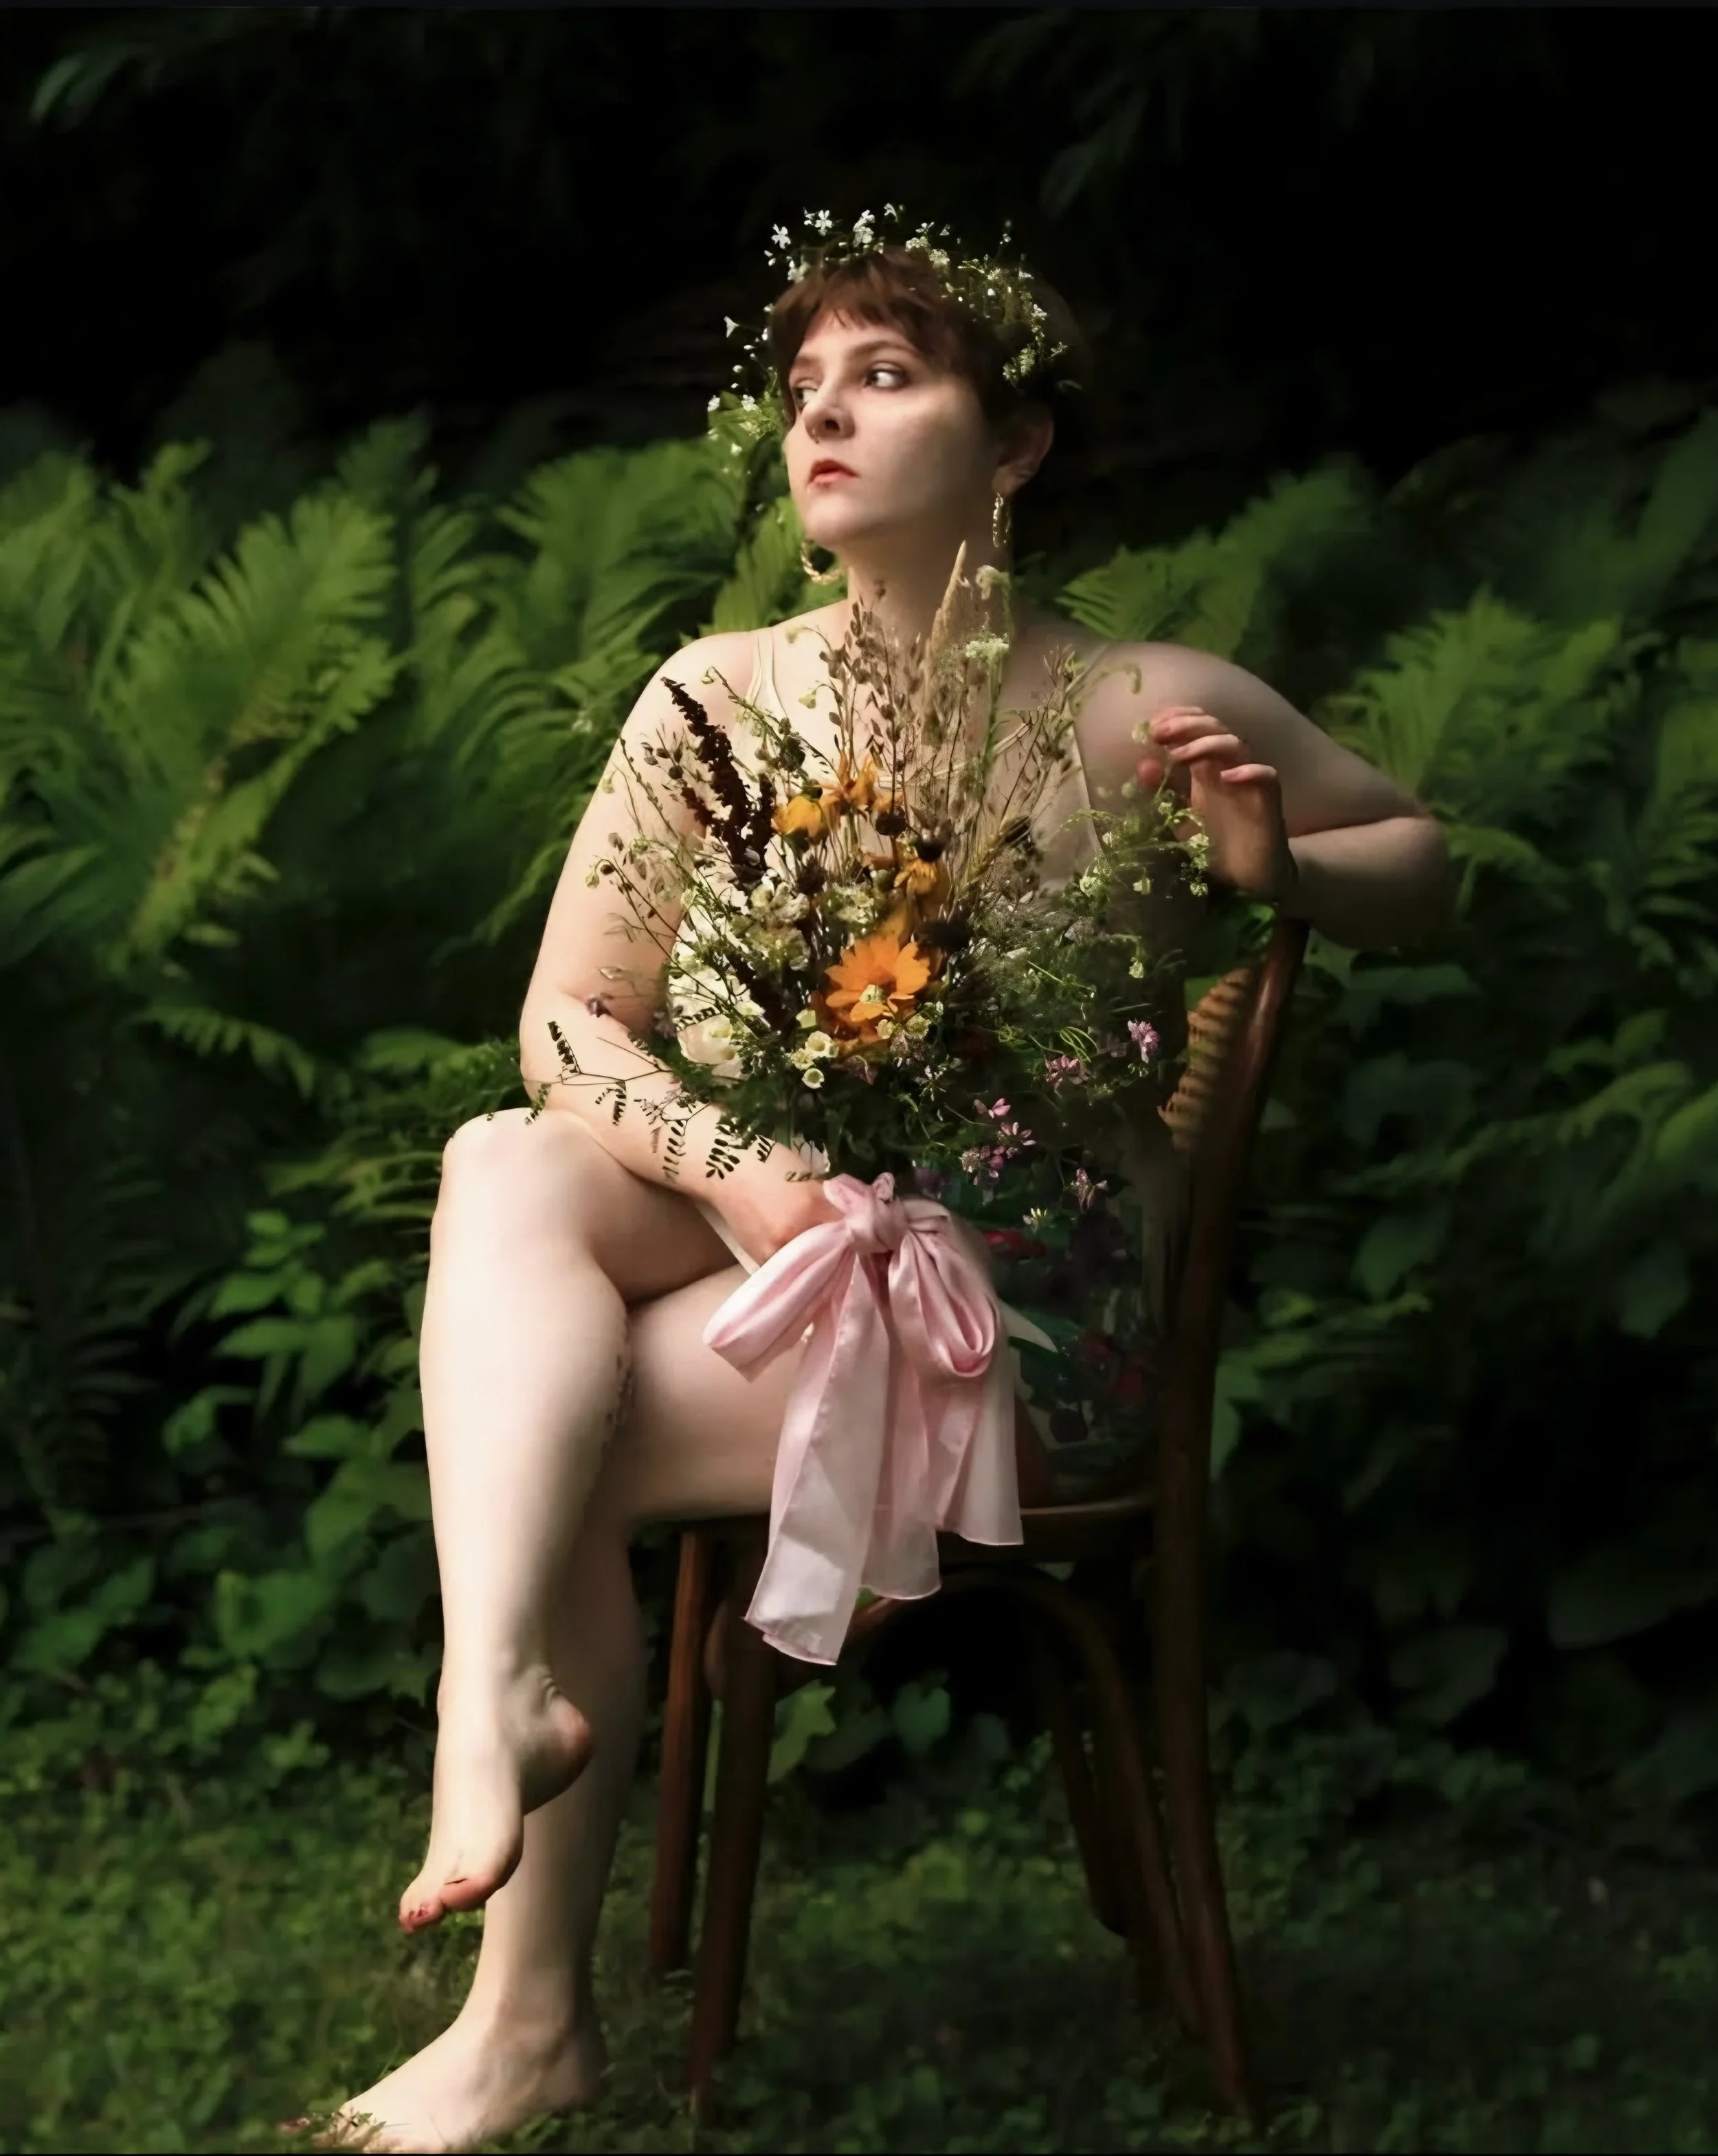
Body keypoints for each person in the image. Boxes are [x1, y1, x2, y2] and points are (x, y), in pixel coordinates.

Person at [318, 222, 1453, 2151]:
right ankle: (493, 1704)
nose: (821, 417)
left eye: (886, 376)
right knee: (505, 1159)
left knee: (549, 1422)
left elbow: (1423, 863)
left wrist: (1281, 871)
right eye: (802, 387)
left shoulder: (1135, 701)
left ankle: (524, 2007)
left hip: (1020, 1306)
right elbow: (568, 1025)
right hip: (785, 1231)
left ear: (1014, 444)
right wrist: (748, 1171)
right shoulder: (714, 700)